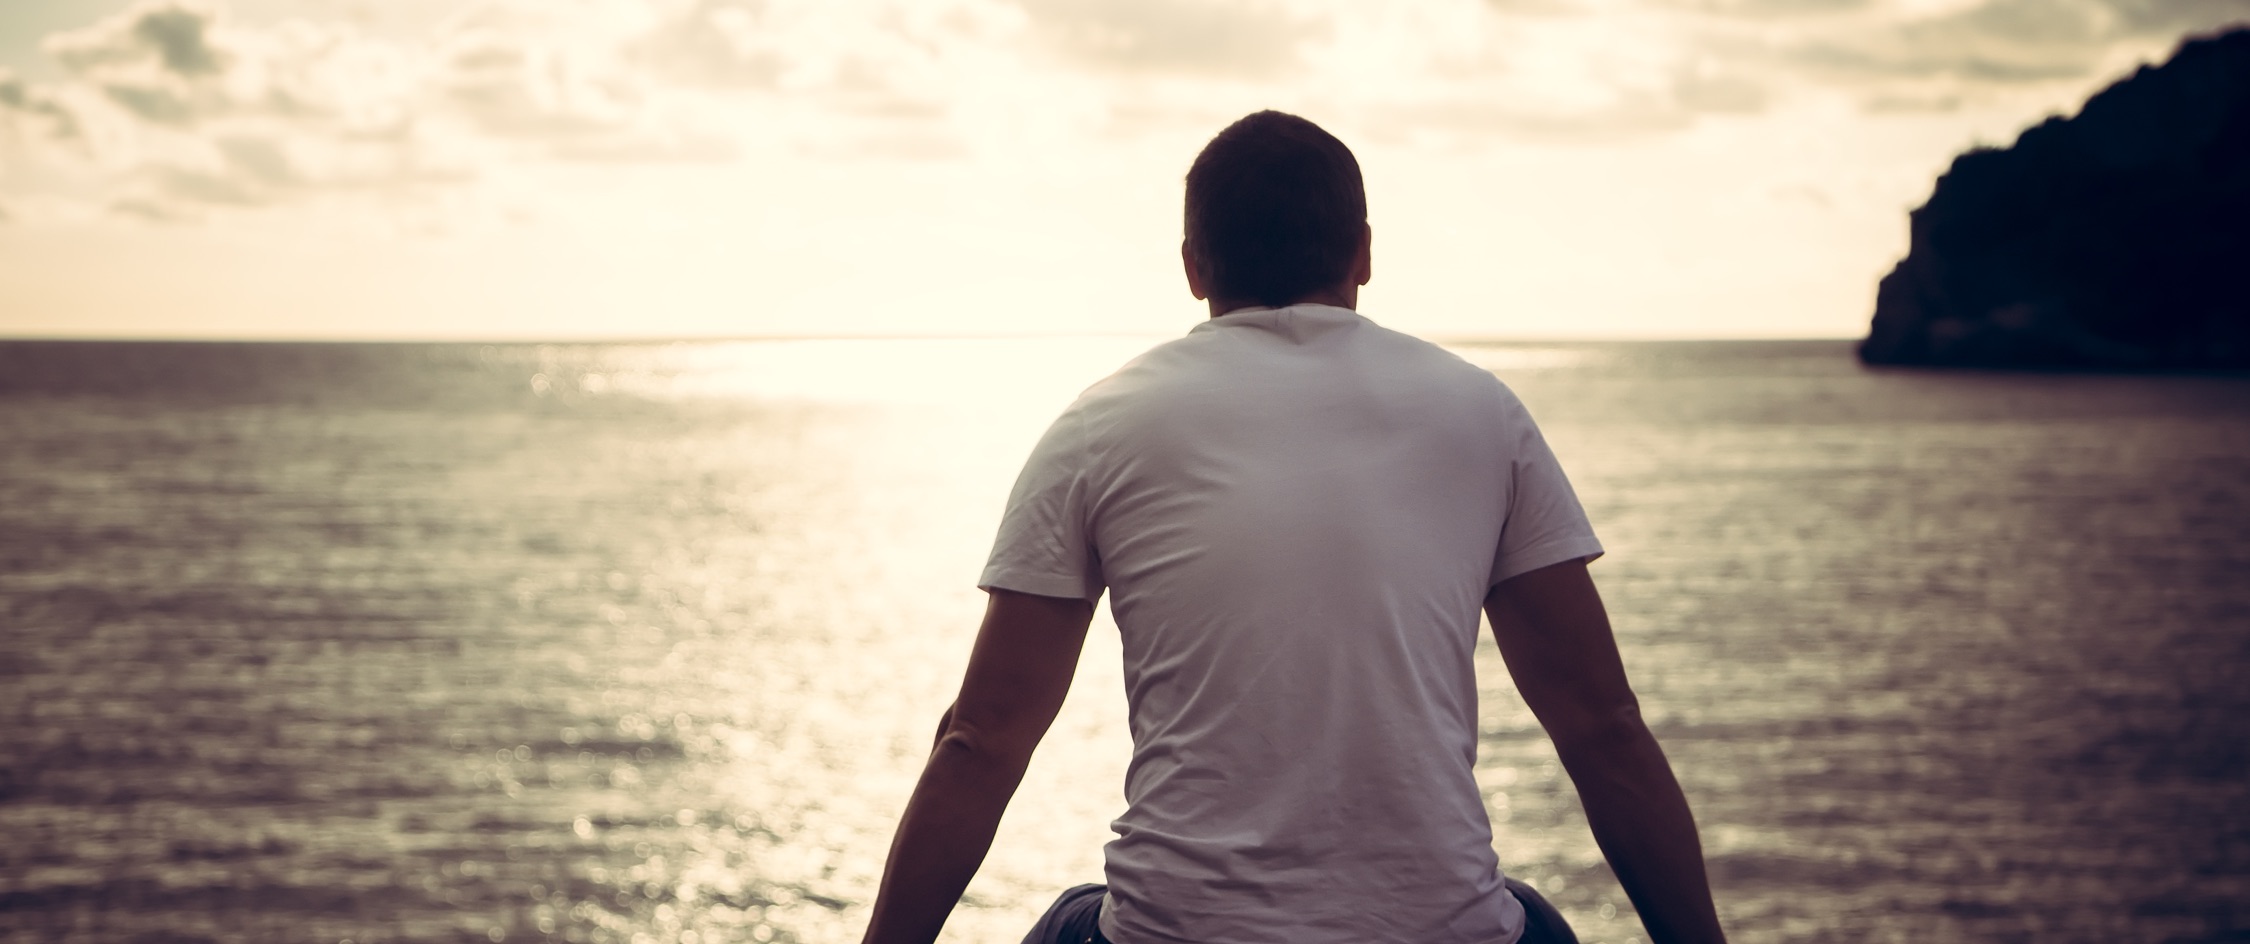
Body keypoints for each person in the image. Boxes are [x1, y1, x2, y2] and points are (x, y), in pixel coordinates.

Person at [858, 110, 1727, 944]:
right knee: (1527, 913)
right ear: (1364, 251)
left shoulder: (1100, 423)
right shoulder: (1482, 413)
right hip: (1441, 934)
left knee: (1075, 917)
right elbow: (1601, 727)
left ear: (1195, 267)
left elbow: (981, 741)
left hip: (1180, 936)